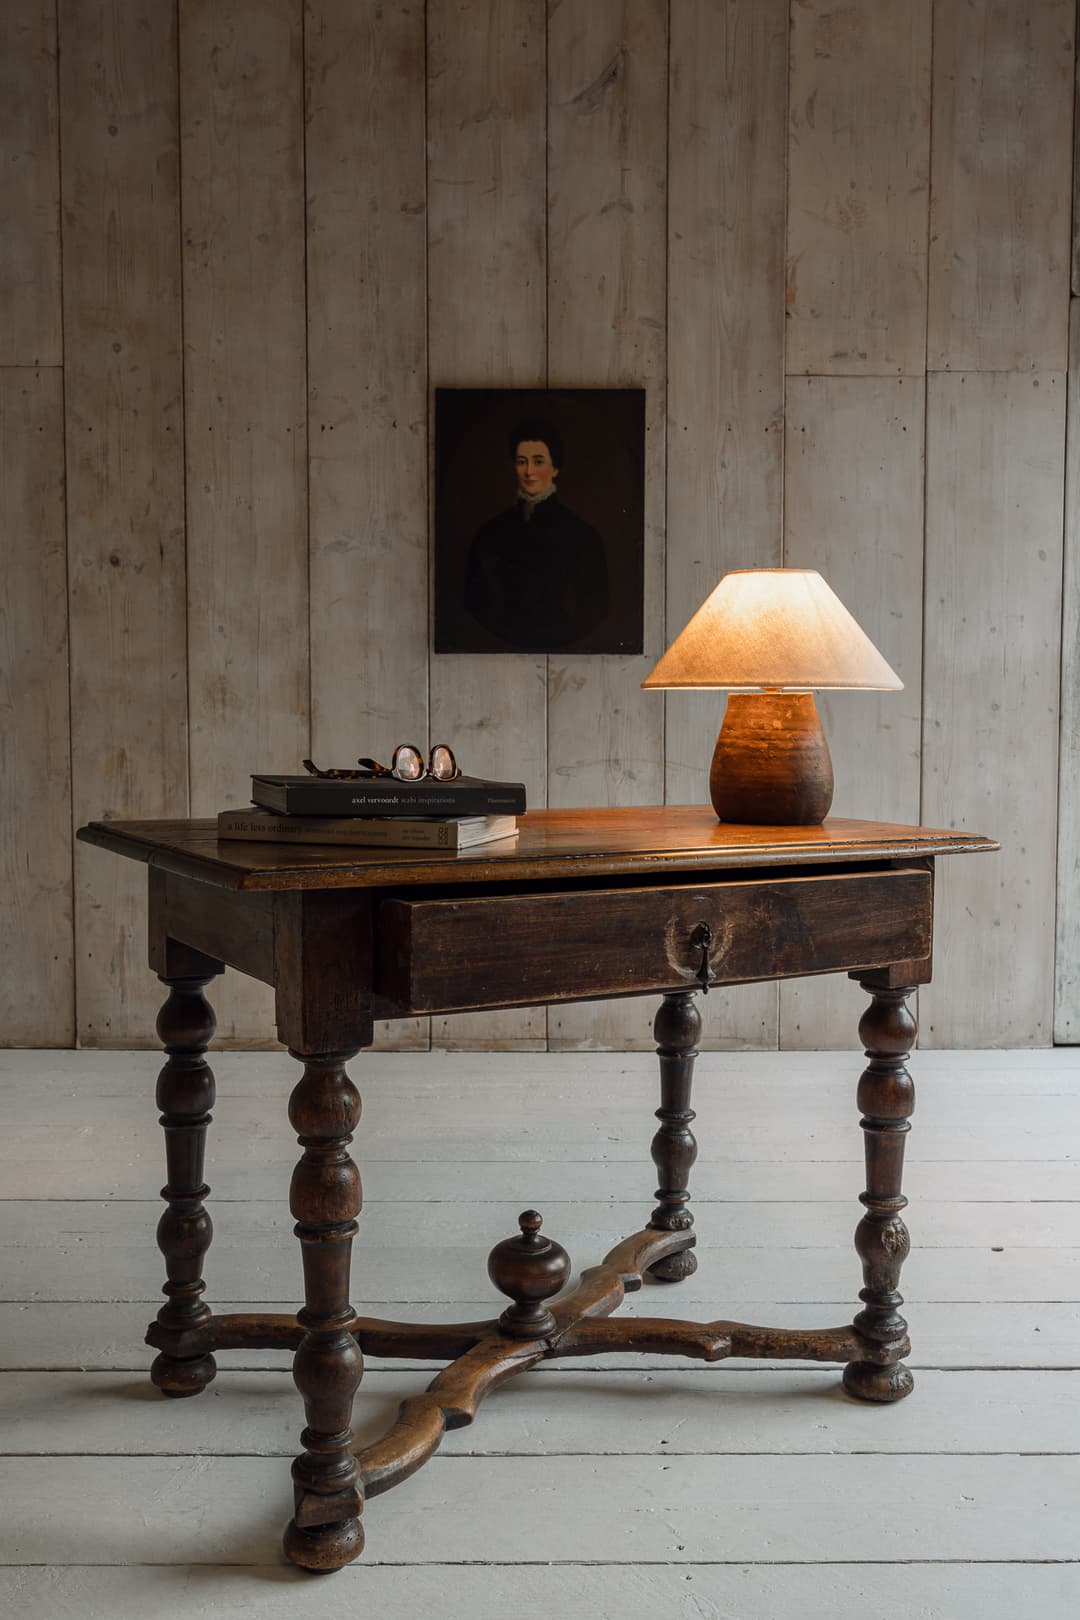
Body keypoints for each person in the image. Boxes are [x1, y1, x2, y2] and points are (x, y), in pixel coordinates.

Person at [463, 418, 610, 652]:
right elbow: (475, 602)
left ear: (555, 468)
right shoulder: (490, 534)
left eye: (538, 461)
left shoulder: (582, 536)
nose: (529, 471)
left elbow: (595, 608)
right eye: (522, 462)